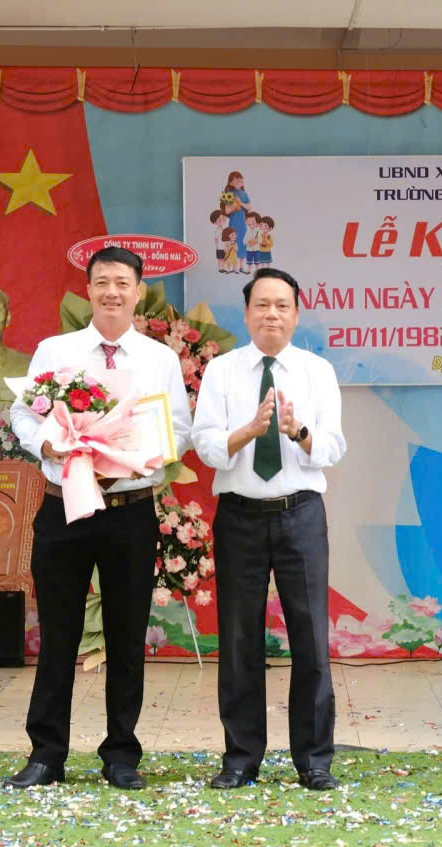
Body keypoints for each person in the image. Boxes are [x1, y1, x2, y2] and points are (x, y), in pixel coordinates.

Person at [6, 245, 192, 790]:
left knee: (127, 636)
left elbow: (179, 427)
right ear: (88, 290)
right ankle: (46, 755)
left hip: (129, 510)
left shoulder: (159, 359)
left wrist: (144, 453)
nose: (112, 292)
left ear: (138, 292)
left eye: (122, 283)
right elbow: (22, 411)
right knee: (58, 633)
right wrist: (47, 445)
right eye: (103, 282)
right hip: (64, 506)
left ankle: (121, 755)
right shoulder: (56, 350)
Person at [191, 267, 347, 790]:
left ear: (297, 315)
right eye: (262, 305)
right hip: (239, 516)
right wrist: (248, 432)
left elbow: (332, 447)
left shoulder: (317, 371)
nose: (272, 314)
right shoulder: (222, 371)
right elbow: (205, 444)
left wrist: (297, 432)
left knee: (310, 637)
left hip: (301, 513)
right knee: (239, 640)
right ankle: (241, 758)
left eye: (282, 305)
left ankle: (314, 759)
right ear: (246, 313)